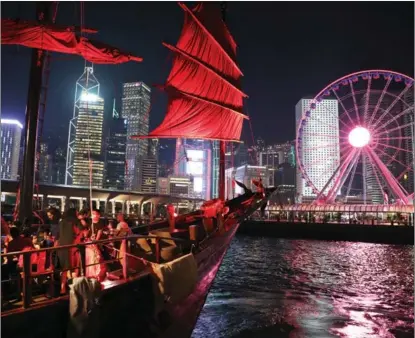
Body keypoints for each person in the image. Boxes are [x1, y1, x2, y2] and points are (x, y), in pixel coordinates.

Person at [55, 208, 82, 295]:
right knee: (73, 267)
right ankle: (74, 288)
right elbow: (81, 230)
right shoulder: (76, 221)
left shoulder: (61, 221)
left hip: (61, 246)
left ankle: (62, 288)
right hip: (71, 246)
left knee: (64, 268)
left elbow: (57, 235)